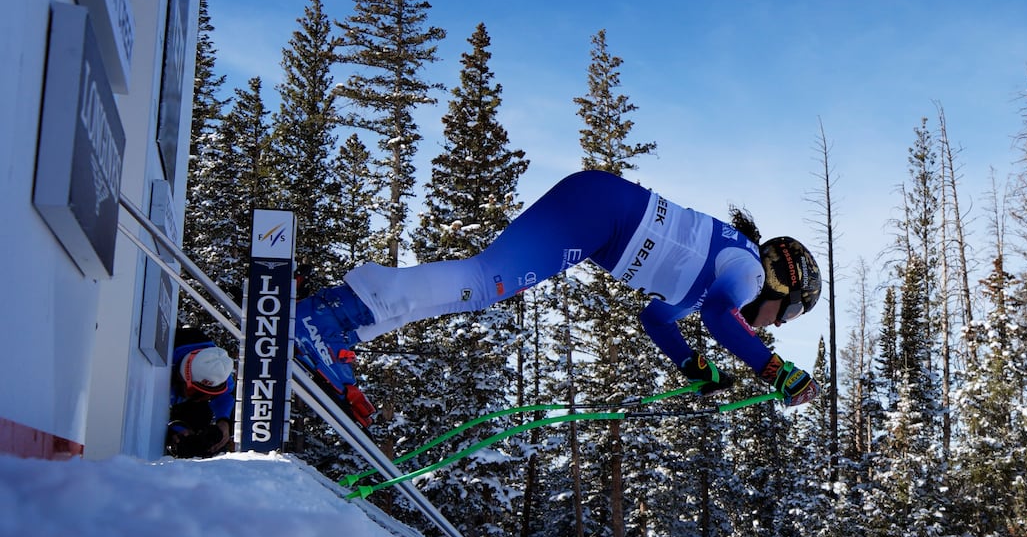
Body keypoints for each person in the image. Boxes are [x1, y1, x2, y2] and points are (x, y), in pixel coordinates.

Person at [293, 169, 821, 423]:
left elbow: (657, 320)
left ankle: (344, 327)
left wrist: (691, 365)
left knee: (483, 286)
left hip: (600, 214)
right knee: (484, 281)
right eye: (792, 310)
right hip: (601, 215)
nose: (778, 323)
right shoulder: (747, 269)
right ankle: (334, 313)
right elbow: (719, 318)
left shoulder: (711, 282)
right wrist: (776, 370)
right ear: (781, 279)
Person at [168, 335, 236, 458]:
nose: (203, 398)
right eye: (198, 394)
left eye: (211, 395)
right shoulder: (161, 362)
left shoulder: (217, 367)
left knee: (201, 413)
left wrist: (223, 421)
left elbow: (225, 396)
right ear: (183, 378)